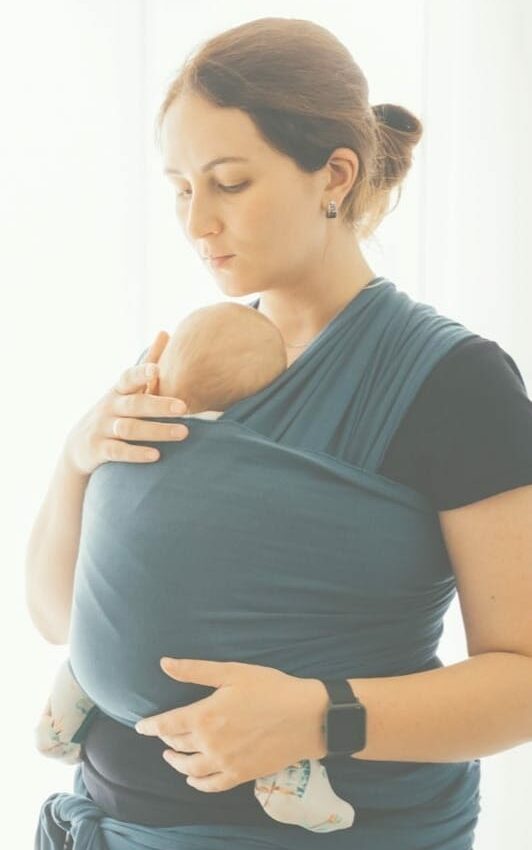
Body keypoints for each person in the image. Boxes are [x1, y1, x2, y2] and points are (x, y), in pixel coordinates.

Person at [26, 16, 532, 850]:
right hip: (104, 823)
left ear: (334, 175)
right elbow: (57, 618)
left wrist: (319, 718)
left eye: (229, 183)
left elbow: (521, 679)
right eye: (182, 187)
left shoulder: (455, 384)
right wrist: (77, 457)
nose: (197, 224)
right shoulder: (194, 361)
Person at [33, 300, 357, 832]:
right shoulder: (263, 461)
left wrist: (80, 460)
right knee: (271, 680)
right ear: (268, 400)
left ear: (158, 378)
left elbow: (67, 610)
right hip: (212, 682)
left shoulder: (126, 441)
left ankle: (62, 715)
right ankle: (289, 779)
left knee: (106, 622)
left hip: (106, 657)